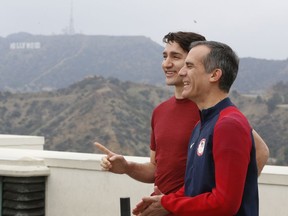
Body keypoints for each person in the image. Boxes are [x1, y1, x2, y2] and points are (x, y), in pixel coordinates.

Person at [95, 32, 269, 196]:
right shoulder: (160, 111)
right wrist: (127, 166)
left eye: (176, 57)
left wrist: (232, 195)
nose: (166, 63)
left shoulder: (209, 111)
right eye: (165, 56)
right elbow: (157, 170)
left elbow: (260, 151)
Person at [133, 41, 259, 216]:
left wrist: (170, 204)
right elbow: (193, 187)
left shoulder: (229, 125)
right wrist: (163, 201)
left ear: (214, 75)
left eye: (190, 66)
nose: (182, 72)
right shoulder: (201, 125)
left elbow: (224, 204)